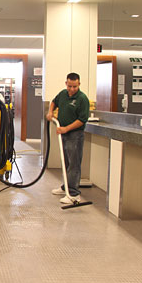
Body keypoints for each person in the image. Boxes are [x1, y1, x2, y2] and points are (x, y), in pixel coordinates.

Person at [46, 72, 90, 204]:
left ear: (79, 84)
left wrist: (66, 128)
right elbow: (54, 102)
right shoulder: (63, 94)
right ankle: (66, 187)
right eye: (70, 86)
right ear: (66, 83)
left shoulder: (82, 99)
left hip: (75, 135)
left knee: (74, 163)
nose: (72, 89)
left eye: (74, 86)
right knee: (65, 162)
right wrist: (50, 112)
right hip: (63, 133)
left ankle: (74, 194)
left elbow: (82, 120)